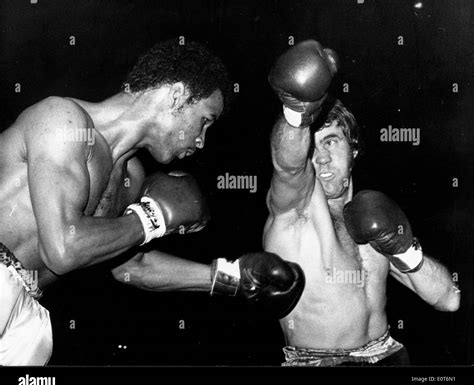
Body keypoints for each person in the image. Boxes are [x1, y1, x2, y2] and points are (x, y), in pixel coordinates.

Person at [0, 38, 304, 365]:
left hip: (29, 310)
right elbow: (63, 249)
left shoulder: (130, 177)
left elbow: (132, 267)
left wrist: (235, 279)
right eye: (205, 120)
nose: (202, 142)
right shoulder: (63, 120)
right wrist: (150, 219)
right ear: (176, 95)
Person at [263, 39, 461, 366]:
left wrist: (404, 249)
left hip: (390, 355)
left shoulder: (372, 217)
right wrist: (297, 111)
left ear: (353, 150)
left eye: (331, 142)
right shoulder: (293, 213)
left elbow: (448, 299)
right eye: (311, 148)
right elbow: (287, 165)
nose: (321, 158)